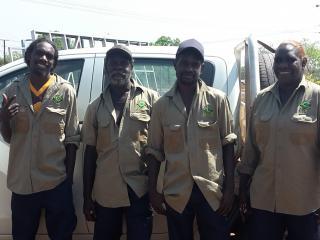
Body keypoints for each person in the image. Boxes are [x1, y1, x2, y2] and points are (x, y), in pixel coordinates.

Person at [146, 39, 237, 240]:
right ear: (175, 65)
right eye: (184, 63)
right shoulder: (162, 106)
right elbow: (154, 151)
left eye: (195, 64)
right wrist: (153, 191)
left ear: (201, 68)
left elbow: (228, 144)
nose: (189, 68)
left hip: (211, 191)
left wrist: (230, 189)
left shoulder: (217, 100)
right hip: (176, 192)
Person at [238, 41, 320, 240]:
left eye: (290, 60)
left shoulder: (317, 97)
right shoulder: (261, 99)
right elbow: (251, 151)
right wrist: (242, 192)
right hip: (264, 201)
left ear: (304, 62)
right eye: (278, 60)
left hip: (304, 203)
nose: (282, 65)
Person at [0, 38, 79, 239]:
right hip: (23, 184)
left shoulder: (66, 91)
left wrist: (67, 182)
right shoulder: (12, 90)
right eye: (39, 53)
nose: (43, 58)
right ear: (29, 57)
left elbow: (71, 139)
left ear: (54, 63)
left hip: (56, 183)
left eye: (49, 56)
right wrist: (3, 119)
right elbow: (9, 138)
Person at [81, 45, 159, 240]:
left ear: (131, 67)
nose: (118, 67)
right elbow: (90, 153)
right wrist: (87, 197)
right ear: (106, 69)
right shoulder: (94, 107)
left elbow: (159, 147)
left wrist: (155, 188)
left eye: (123, 63)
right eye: (113, 63)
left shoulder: (151, 99)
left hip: (140, 188)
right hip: (106, 191)